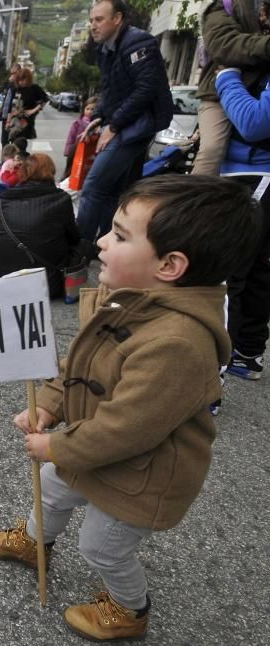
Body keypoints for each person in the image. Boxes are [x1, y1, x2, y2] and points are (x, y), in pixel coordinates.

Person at [0, 175, 260, 642]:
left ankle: (130, 610)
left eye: (121, 236)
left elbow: (126, 429)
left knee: (102, 548)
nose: (101, 242)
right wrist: (49, 404)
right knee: (50, 489)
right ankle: (34, 543)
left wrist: (54, 445)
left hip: (140, 474)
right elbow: (78, 366)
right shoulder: (131, 304)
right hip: (93, 449)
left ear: (169, 265)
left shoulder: (176, 343)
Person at [75, 0, 174, 244]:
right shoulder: (107, 47)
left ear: (117, 19)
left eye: (99, 20)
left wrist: (114, 125)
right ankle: (108, 243)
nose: (93, 26)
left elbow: (146, 89)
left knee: (93, 187)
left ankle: (79, 249)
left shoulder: (138, 43)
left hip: (138, 124)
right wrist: (99, 116)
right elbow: (110, 90)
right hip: (129, 122)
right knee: (115, 191)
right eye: (91, 20)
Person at [213, 56, 270, 382]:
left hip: (254, 171)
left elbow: (254, 123)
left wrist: (226, 76)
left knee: (225, 272)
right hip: (254, 172)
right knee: (256, 268)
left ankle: (210, 380)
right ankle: (247, 354)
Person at [0, 154, 80, 298]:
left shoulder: (2, 201)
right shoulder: (61, 199)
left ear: (22, 173)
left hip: (0, 282)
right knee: (82, 246)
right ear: (51, 172)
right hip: (47, 285)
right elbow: (74, 238)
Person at [193, 0, 270, 176]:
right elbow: (223, 45)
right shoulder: (223, 5)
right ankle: (193, 200)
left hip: (257, 90)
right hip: (219, 93)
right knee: (211, 150)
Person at [9, 68, 49, 141]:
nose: (21, 82)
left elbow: (45, 99)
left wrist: (33, 110)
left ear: (28, 78)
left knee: (21, 142)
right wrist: (9, 120)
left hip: (26, 119)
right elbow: (12, 105)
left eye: (23, 79)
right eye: (19, 80)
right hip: (15, 119)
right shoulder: (17, 88)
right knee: (13, 140)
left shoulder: (34, 88)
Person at [64, 96, 99, 179]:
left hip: (91, 154)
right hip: (77, 152)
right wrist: (68, 152)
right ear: (83, 109)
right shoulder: (77, 123)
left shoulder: (99, 125)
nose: (90, 111)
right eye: (87, 109)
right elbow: (70, 138)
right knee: (73, 172)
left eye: (93, 109)